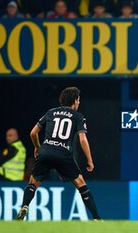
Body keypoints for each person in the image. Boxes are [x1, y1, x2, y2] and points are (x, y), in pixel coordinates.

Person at [15, 87, 101, 220]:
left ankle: (25, 206)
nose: (79, 103)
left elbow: (33, 133)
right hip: (63, 154)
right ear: (74, 100)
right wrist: (90, 160)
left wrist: (38, 147)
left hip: (46, 151)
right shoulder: (78, 116)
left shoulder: (51, 112)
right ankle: (97, 218)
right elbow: (83, 139)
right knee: (81, 184)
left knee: (33, 182)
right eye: (78, 100)